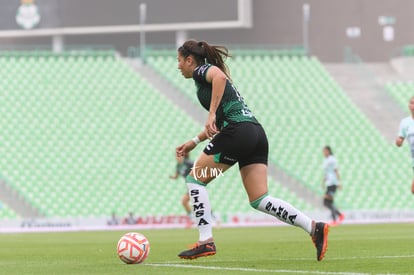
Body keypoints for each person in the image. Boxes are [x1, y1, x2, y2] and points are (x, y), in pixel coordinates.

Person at [175, 39, 329, 261]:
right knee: (259, 199)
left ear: (190, 60)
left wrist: (210, 114)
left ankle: (205, 241)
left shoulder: (202, 71)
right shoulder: (204, 85)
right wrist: (194, 140)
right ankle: (314, 227)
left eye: (179, 61)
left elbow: (219, 76)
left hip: (238, 133)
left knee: (195, 180)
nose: (178, 66)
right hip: (255, 134)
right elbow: (218, 123)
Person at [322, 146, 345, 225]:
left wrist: (339, 182)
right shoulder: (326, 160)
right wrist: (323, 181)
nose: (324, 153)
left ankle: (336, 218)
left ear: (328, 151)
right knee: (327, 202)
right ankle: (339, 216)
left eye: (325, 151)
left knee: (327, 201)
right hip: (329, 183)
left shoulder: (332, 160)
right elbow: (327, 172)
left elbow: (336, 170)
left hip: (333, 183)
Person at [396, 96, 414, 194]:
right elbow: (400, 138)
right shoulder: (405, 122)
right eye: (411, 103)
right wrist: (398, 141)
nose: (413, 105)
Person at [170, 152, 194, 218]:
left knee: (185, 201)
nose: (177, 158)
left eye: (179, 156)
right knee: (185, 202)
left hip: (195, 184)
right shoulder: (178, 166)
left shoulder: (189, 163)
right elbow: (176, 176)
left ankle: (212, 216)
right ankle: (193, 218)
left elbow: (198, 169)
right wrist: (173, 177)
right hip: (189, 185)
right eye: (176, 156)